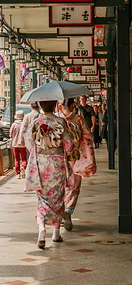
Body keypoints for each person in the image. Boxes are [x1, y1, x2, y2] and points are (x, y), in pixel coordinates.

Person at [24, 100, 74, 250]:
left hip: (41, 163)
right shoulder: (61, 121)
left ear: (40, 105)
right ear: (53, 106)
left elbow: (28, 141)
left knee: (42, 197)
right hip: (57, 163)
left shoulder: (35, 122)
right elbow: (69, 144)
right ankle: (56, 233)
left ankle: (41, 230)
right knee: (58, 197)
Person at [60, 98, 96, 231]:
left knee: (61, 184)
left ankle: (61, 211)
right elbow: (88, 136)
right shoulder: (78, 119)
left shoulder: (57, 119)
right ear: (73, 105)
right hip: (75, 156)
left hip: (59, 157)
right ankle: (68, 210)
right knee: (74, 185)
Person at [10, 110, 27, 179]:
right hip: (23, 144)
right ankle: (23, 167)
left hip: (15, 144)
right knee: (24, 159)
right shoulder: (24, 124)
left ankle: (18, 173)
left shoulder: (14, 124)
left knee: (16, 159)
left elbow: (10, 134)